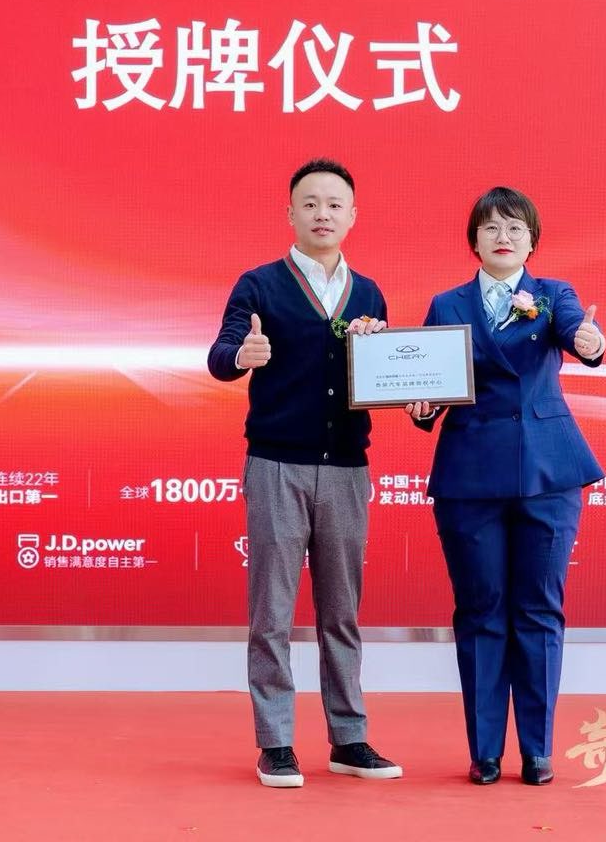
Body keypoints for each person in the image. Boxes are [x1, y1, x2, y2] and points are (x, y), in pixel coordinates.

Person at [208, 158, 403, 789]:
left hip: (346, 467)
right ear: (290, 213)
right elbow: (219, 355)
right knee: (271, 613)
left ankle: (349, 738)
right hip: (276, 466)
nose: (323, 214)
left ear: (353, 216)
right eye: (310, 203)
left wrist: (410, 388)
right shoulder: (259, 285)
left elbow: (383, 376)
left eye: (334, 204)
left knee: (341, 613)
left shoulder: (368, 293)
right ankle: (276, 743)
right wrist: (242, 354)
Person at [406, 186, 605, 786]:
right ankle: (485, 749)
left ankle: (538, 749)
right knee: (480, 609)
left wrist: (591, 342)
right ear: (474, 239)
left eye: (515, 228)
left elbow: (577, 333)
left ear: (532, 241)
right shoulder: (446, 304)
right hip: (471, 474)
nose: (503, 237)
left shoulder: (553, 296)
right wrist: (420, 405)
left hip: (548, 472)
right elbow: (429, 382)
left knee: (540, 609)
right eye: (491, 227)